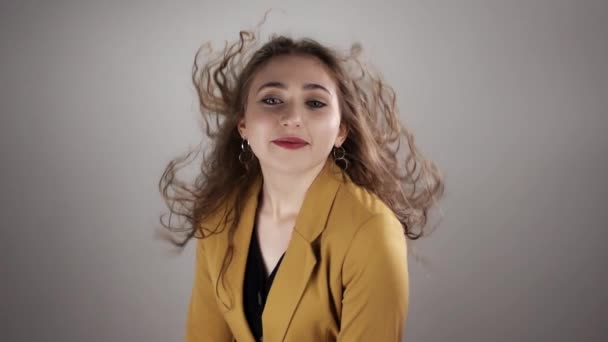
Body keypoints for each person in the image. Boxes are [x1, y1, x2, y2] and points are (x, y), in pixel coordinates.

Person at [159, 19, 444, 342]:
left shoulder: (372, 231)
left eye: (315, 103)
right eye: (271, 99)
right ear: (243, 126)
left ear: (341, 131)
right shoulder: (218, 217)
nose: (292, 117)